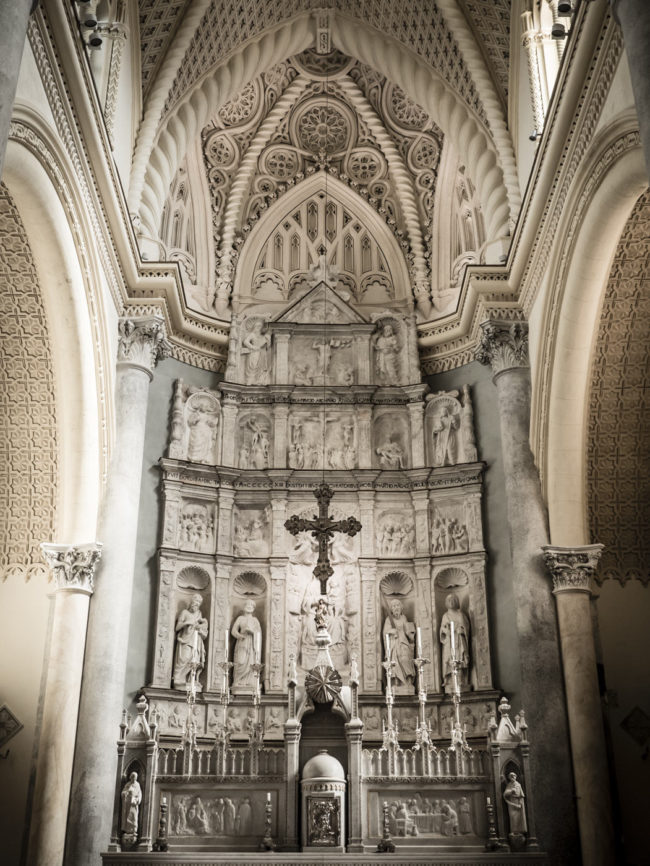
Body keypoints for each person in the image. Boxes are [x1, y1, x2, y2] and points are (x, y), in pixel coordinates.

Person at [173, 594, 208, 689]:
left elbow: (201, 626)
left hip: (196, 640)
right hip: (185, 640)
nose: (197, 604)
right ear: (191, 602)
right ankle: (177, 678)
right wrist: (187, 623)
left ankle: (186, 679)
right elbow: (177, 627)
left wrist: (201, 627)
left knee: (194, 660)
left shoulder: (199, 614)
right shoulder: (184, 612)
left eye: (199, 602)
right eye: (195, 601)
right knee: (184, 658)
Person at [439, 592, 470, 692]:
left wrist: (462, 631)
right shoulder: (445, 616)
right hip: (449, 642)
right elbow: (442, 629)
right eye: (449, 600)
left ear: (456, 601)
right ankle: (450, 681)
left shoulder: (460, 615)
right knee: (449, 660)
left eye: (453, 600)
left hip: (459, 641)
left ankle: (460, 681)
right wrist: (445, 631)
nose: (451, 602)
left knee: (459, 659)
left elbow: (466, 627)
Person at [383, 599, 416, 689]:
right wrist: (391, 631)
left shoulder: (403, 618)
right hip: (393, 643)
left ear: (401, 608)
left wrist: (410, 634)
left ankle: (408, 680)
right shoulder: (388, 619)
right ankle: (396, 681)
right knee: (395, 662)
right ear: (391, 609)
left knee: (405, 659)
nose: (396, 608)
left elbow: (407, 629)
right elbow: (385, 632)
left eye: (397, 605)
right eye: (394, 606)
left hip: (403, 642)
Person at [231, 601, 262, 691]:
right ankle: (238, 680)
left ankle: (250, 681)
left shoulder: (255, 620)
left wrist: (252, 632)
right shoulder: (240, 618)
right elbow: (233, 631)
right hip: (242, 642)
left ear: (253, 608)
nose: (249, 606)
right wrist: (240, 635)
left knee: (251, 662)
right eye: (248, 604)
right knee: (240, 661)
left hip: (252, 644)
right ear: (244, 607)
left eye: (251, 605)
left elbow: (259, 633)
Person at [241, 319, 271, 384]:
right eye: (257, 326)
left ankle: (258, 381)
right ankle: (250, 381)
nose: (258, 328)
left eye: (259, 327)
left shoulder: (264, 336)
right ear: (254, 327)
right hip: (254, 353)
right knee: (253, 366)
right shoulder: (252, 335)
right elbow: (245, 342)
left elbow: (267, 347)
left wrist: (268, 341)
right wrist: (253, 347)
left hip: (262, 354)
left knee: (261, 368)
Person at [120, 771, 142, 840]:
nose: (134, 779)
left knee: (134, 817)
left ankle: (134, 830)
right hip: (127, 804)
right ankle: (127, 830)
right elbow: (123, 793)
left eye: (135, 777)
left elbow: (139, 794)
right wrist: (126, 792)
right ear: (131, 777)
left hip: (134, 804)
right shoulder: (128, 784)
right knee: (127, 817)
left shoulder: (137, 785)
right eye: (133, 777)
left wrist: (137, 800)